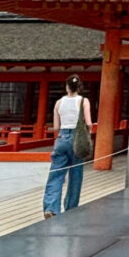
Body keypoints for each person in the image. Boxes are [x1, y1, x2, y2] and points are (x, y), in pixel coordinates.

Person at [42, 75, 91, 218]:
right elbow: (88, 123)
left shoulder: (59, 103)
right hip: (77, 138)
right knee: (76, 175)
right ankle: (71, 208)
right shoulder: (83, 101)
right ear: (79, 87)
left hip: (62, 138)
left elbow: (56, 126)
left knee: (56, 175)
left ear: (67, 87)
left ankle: (51, 208)